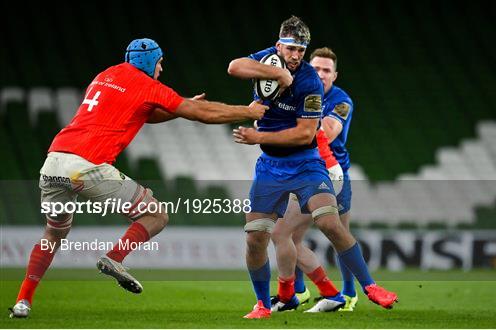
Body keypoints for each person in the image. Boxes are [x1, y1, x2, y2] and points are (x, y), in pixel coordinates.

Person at [9, 38, 268, 319]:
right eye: (159, 63)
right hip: (88, 165)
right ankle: (114, 258)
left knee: (53, 234)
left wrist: (175, 110)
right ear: (149, 62)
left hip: (54, 162)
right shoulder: (147, 85)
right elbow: (202, 114)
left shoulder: (106, 76)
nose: (161, 69)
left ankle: (23, 301)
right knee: (156, 215)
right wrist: (247, 111)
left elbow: (139, 112)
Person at [229, 16, 396, 319]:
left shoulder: (310, 81)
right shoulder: (268, 59)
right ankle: (264, 304)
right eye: (290, 49)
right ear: (279, 45)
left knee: (330, 222)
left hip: (307, 164)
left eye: (300, 51)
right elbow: (234, 67)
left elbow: (307, 134)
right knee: (256, 237)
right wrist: (277, 74)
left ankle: (369, 287)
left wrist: (258, 135)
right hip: (269, 167)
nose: (295, 56)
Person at [270, 47, 398, 313]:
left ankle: (349, 294)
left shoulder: (341, 101)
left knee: (338, 234)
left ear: (335, 75)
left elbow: (327, 132)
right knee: (290, 235)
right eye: (315, 68)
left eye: (326, 70)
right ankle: (299, 291)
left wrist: (293, 116)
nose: (320, 74)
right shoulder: (299, 92)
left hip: (333, 174)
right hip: (304, 172)